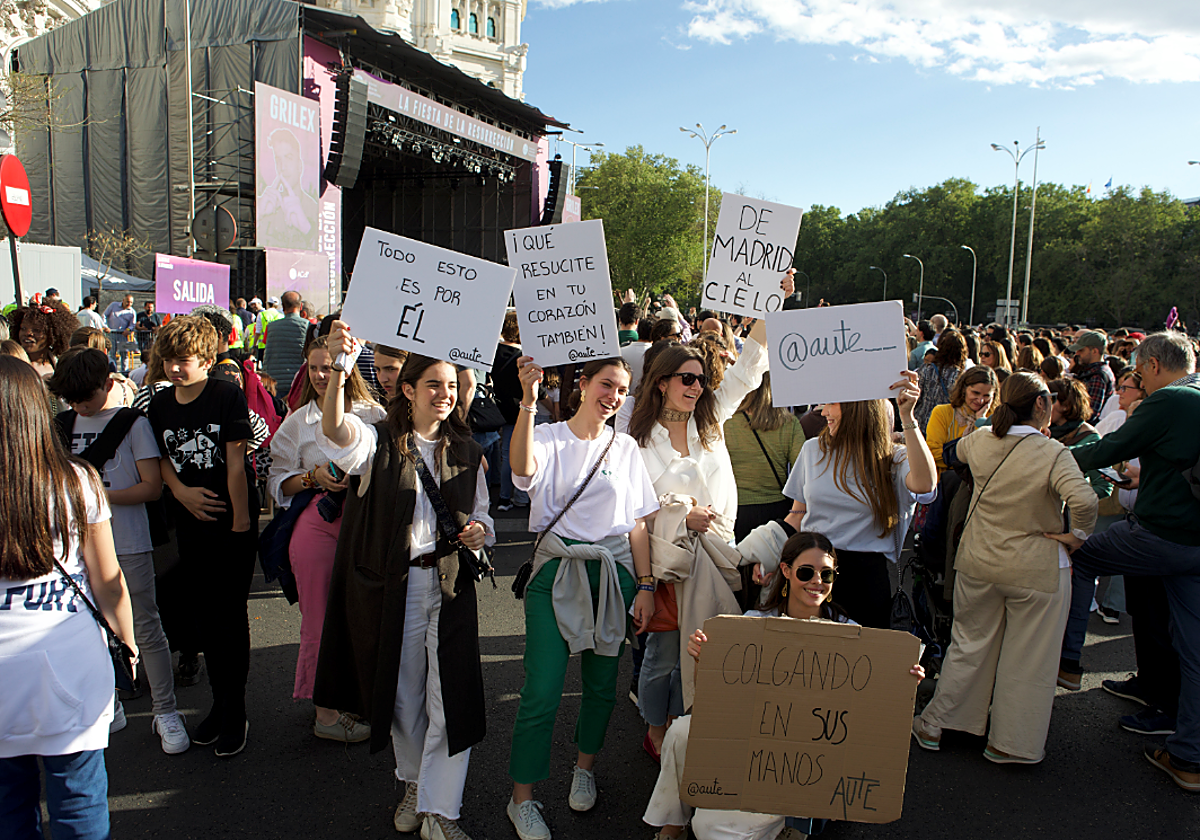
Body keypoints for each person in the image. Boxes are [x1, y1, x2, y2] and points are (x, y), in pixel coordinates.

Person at [312, 325, 493, 840]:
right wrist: (340, 371)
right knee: (403, 695)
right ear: (407, 390)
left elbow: (482, 515)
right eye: (433, 384)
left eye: (451, 385)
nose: (445, 394)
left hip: (452, 582)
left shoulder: (468, 449)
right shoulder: (377, 440)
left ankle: (442, 810)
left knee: (450, 696)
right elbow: (337, 433)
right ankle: (414, 781)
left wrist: (482, 530)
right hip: (397, 586)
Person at [643, 532, 924, 840]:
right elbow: (714, 700)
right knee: (682, 732)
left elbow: (867, 713)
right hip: (754, 748)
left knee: (710, 830)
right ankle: (673, 825)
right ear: (787, 571)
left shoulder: (850, 635)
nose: (817, 581)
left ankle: (791, 822)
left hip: (806, 766)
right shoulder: (754, 623)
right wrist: (704, 661)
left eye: (826, 574)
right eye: (806, 572)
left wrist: (900, 683)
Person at [505, 355, 658, 840]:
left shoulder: (627, 446)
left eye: (620, 389)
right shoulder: (548, 436)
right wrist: (528, 405)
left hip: (614, 577)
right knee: (542, 692)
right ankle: (522, 798)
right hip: (557, 573)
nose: (612, 396)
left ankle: (584, 768)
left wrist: (648, 585)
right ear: (584, 384)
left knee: (600, 687)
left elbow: (637, 523)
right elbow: (522, 470)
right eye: (605, 384)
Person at [914, 372, 1098, 764]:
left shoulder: (982, 440)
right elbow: (1084, 500)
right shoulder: (1053, 454)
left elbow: (951, 454)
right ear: (1040, 406)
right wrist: (1076, 536)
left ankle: (938, 723)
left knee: (968, 646)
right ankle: (1011, 743)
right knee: (1029, 658)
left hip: (979, 560)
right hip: (1036, 567)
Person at [0, 354, 137, 840]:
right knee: (78, 798)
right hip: (66, 663)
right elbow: (107, 577)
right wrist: (128, 640)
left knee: (8, 806)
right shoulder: (75, 480)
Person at [1057, 332, 1200, 791]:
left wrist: (1047, 457)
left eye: (1137, 374)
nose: (1135, 381)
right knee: (1193, 649)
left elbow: (1106, 451)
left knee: (1080, 553)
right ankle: (1188, 754)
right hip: (1194, 543)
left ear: (1153, 365)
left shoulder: (1171, 400)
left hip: (1162, 533)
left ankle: (1069, 660)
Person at [47, 348, 189, 755]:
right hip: (74, 545)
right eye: (71, 400)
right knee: (90, 627)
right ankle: (110, 699)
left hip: (127, 539)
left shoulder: (132, 424)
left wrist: (94, 498)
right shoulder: (61, 424)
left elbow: (151, 486)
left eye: (84, 398)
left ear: (108, 385)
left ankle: (166, 710)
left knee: (145, 623)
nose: (78, 406)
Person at [146, 316, 257, 758]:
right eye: (169, 360)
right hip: (188, 520)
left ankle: (236, 710)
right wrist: (180, 492)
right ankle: (218, 703)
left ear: (208, 360)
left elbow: (236, 464)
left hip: (232, 523)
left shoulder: (226, 394)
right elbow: (161, 460)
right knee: (205, 618)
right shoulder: (159, 403)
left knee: (230, 618)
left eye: (184, 361)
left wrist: (242, 524)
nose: (175, 369)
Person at [266, 336, 383, 742]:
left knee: (367, 613)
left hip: (368, 525)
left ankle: (361, 697)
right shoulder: (297, 421)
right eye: (314, 367)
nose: (321, 375)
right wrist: (312, 478)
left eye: (329, 365)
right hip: (316, 524)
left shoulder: (375, 414)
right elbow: (277, 481)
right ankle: (326, 713)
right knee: (318, 617)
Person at [778, 371, 937, 629]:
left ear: (857, 408)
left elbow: (926, 485)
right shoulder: (812, 450)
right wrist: (771, 556)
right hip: (811, 574)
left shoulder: (894, 459)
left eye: (831, 403)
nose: (823, 411)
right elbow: (797, 515)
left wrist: (908, 417)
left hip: (867, 582)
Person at [924, 364, 998, 475]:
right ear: (964, 389)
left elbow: (990, 455)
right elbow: (934, 452)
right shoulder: (942, 413)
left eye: (986, 396)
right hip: (950, 484)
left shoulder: (994, 419)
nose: (980, 400)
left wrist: (980, 421)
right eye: (975, 393)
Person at [492, 311, 528, 512]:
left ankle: (501, 496)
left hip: (494, 410)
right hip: (518, 410)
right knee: (515, 454)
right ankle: (514, 497)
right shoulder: (523, 357)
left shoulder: (491, 352)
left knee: (500, 452)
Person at [913, 329, 968, 433]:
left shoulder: (926, 369)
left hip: (922, 422)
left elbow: (916, 396)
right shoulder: (960, 376)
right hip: (945, 425)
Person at [10, 302, 78, 380]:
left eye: (36, 330)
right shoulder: (10, 364)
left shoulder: (63, 366)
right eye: (23, 328)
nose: (28, 333)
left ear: (52, 334)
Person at [1068, 330, 1116, 424]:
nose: (1077, 353)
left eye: (1081, 350)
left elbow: (1090, 414)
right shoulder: (1094, 371)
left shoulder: (1098, 376)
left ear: (1094, 351)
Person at [262, 290, 309, 385]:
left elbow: (268, 356)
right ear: (300, 307)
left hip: (276, 381)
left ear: (283, 307)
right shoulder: (307, 326)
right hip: (298, 381)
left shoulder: (271, 327)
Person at [103, 295, 137, 373]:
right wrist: (105, 326)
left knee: (124, 353)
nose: (129, 304)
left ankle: (124, 371)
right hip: (112, 333)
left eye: (131, 302)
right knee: (112, 353)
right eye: (128, 301)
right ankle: (113, 371)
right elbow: (104, 315)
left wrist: (128, 330)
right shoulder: (113, 305)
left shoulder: (132, 312)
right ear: (123, 300)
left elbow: (132, 324)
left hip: (123, 335)